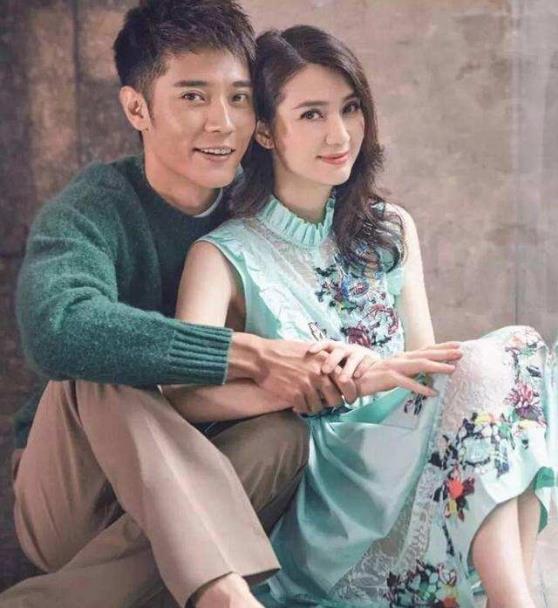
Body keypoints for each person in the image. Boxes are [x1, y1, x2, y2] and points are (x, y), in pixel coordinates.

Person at [168, 25, 558, 608]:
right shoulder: (222, 255)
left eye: (350, 108)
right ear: (266, 132)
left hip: (415, 462)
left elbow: (429, 368)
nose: (340, 133)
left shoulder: (390, 229)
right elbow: (183, 395)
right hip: (332, 489)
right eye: (312, 114)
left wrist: (390, 371)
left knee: (511, 354)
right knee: (493, 361)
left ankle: (511, 597)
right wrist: (306, 384)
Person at [0, 3, 366, 607]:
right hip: (77, 492)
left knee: (283, 438)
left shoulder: (260, 211)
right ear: (136, 108)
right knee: (106, 362)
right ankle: (225, 593)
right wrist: (247, 354)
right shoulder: (94, 208)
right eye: (193, 97)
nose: (222, 123)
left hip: (197, 493)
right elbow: (56, 327)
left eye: (239, 98)